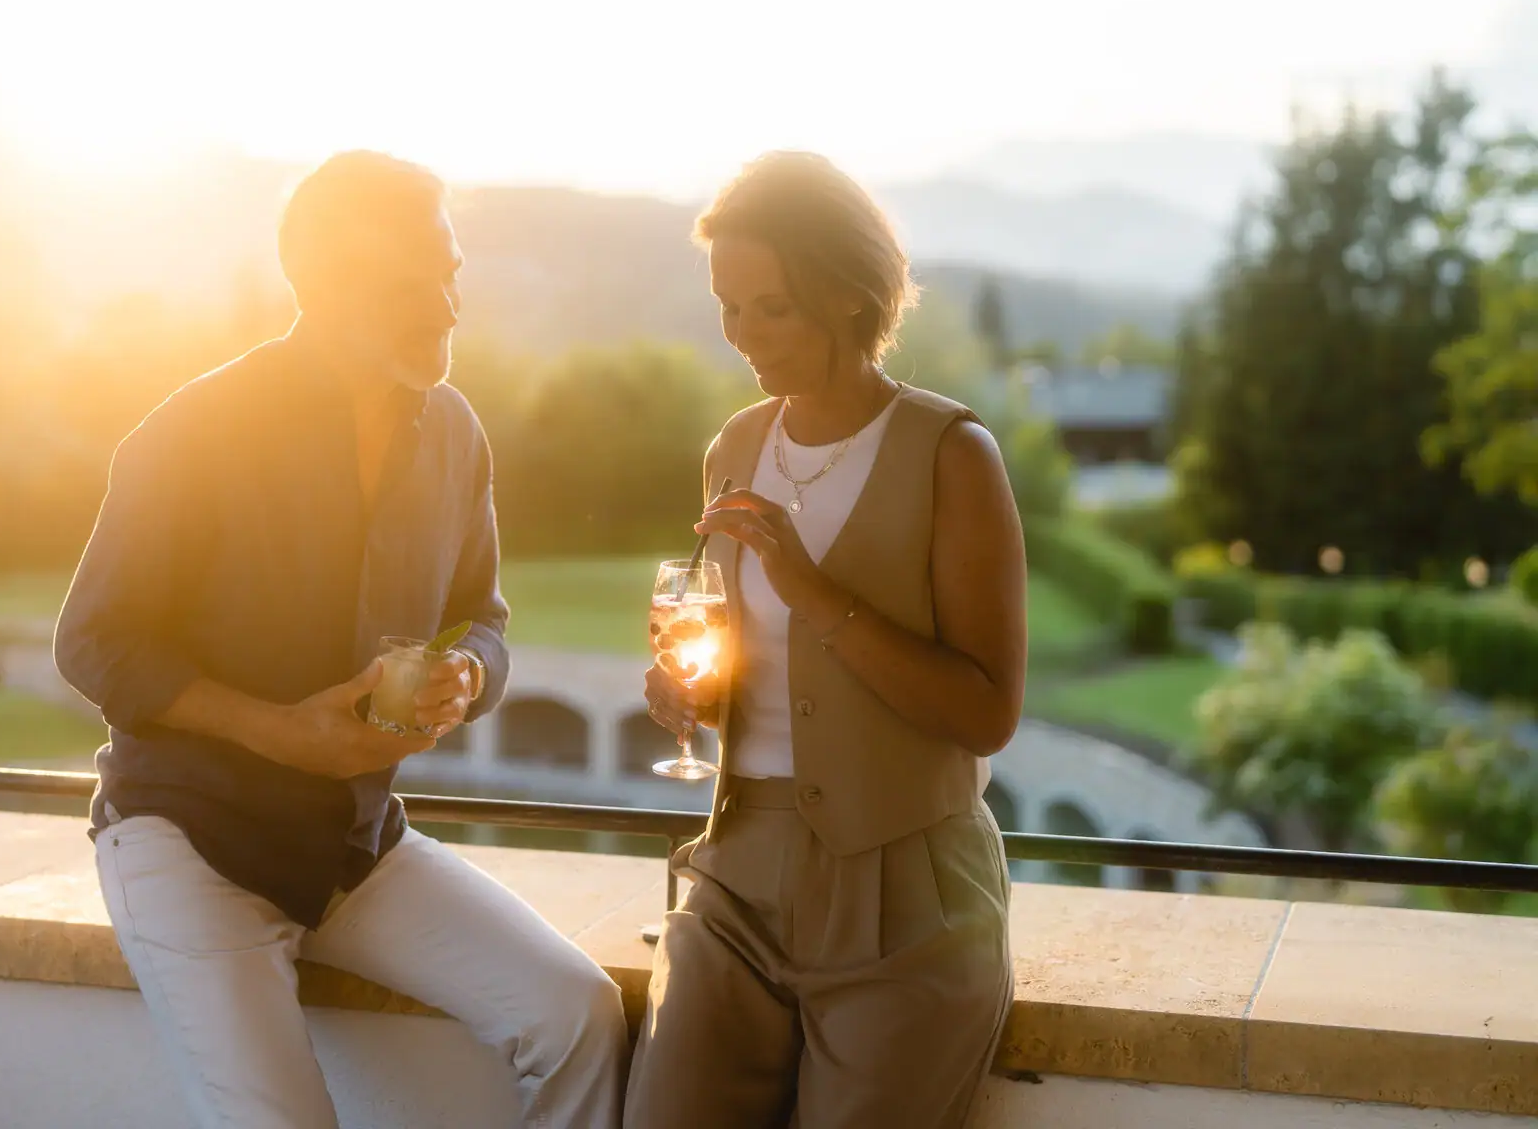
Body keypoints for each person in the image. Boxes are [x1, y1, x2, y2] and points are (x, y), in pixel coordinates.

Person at [55, 151, 627, 1129]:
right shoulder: (193, 428)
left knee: (580, 1012)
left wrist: (468, 673)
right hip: (188, 841)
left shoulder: (454, 433)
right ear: (324, 286)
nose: (449, 305)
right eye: (416, 283)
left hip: (353, 847)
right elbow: (93, 641)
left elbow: (483, 615)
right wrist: (281, 732)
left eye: (451, 272)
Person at [625, 151, 1023, 1129]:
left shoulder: (951, 455)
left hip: (907, 895)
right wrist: (689, 692)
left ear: (849, 293)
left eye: (775, 307)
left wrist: (815, 592)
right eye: (729, 307)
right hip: (737, 874)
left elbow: (987, 712)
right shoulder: (733, 449)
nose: (745, 336)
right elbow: (754, 662)